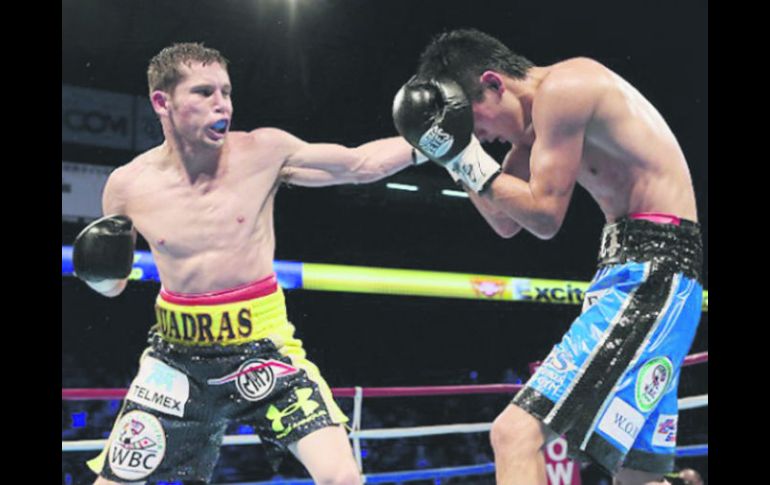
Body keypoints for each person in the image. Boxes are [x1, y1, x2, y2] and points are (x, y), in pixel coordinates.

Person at [74, 42, 416, 485]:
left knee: (341, 477)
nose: (223, 104)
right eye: (204, 92)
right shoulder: (126, 186)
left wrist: (431, 143)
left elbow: (360, 164)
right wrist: (97, 273)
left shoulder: (263, 152)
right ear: (163, 101)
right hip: (175, 362)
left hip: (262, 346)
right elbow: (114, 286)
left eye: (227, 91)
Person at [392, 28, 703, 485]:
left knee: (514, 434)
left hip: (653, 273)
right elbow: (505, 222)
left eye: (477, 125)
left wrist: (468, 155)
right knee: (635, 475)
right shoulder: (532, 131)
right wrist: (457, 156)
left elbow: (543, 217)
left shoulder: (566, 88)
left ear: (494, 83)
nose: (484, 138)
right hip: (643, 273)